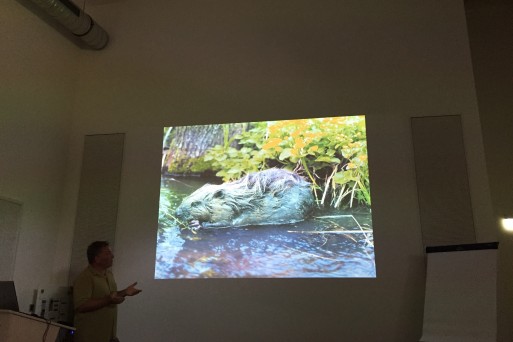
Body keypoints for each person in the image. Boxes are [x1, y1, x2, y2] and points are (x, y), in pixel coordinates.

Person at [73, 241, 142, 342]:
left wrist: (125, 292)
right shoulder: (85, 277)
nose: (112, 256)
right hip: (90, 337)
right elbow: (81, 306)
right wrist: (109, 299)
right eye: (108, 253)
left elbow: (112, 296)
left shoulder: (109, 274)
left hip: (108, 336)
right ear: (97, 258)